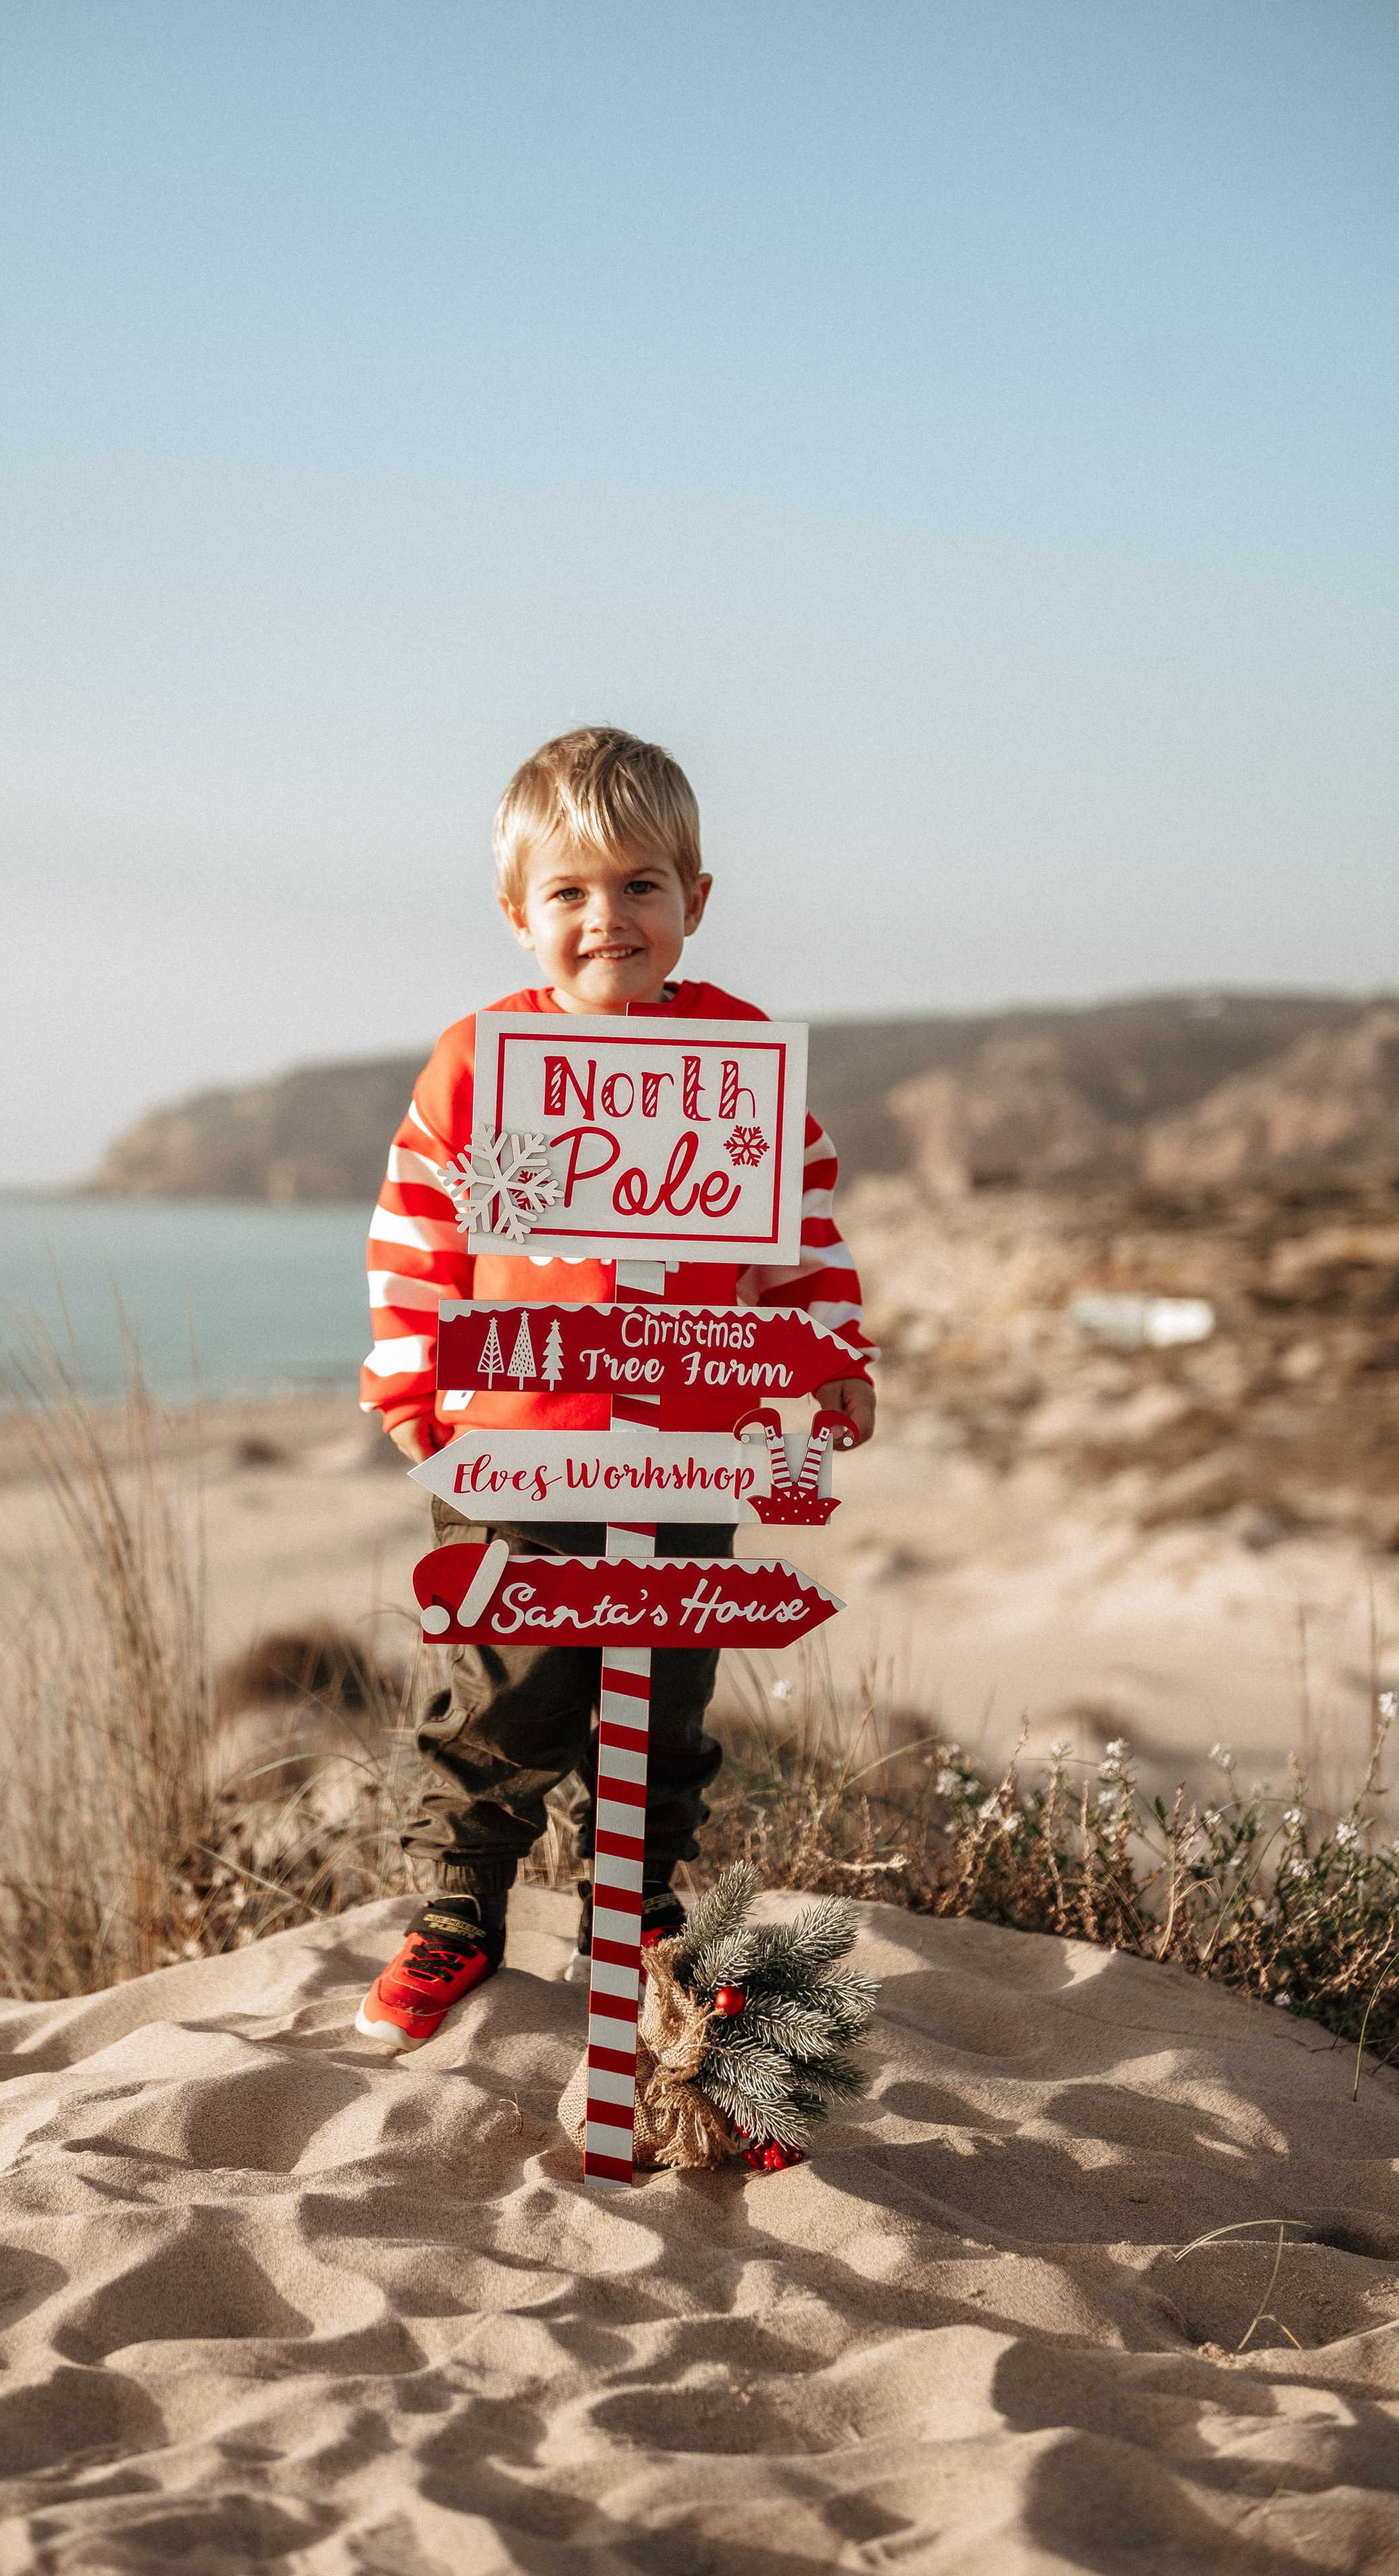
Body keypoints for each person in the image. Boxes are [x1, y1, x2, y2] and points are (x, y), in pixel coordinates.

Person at [354, 727, 875, 2049]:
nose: (607, 918)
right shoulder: (479, 1064)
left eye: (641, 885)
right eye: (570, 893)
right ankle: (457, 1913)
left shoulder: (740, 1062)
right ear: (516, 913)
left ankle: (630, 1909)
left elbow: (800, 1231)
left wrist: (827, 1358)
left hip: (688, 1454)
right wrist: (416, 1398)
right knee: (497, 1698)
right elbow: (415, 1241)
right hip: (515, 1459)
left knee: (661, 1694)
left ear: (695, 901)